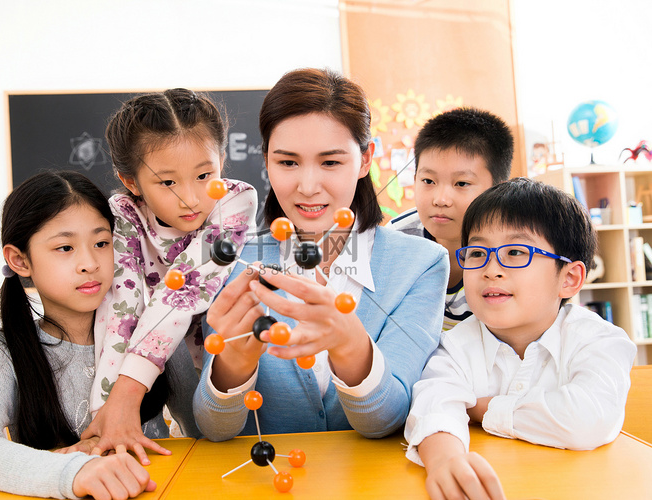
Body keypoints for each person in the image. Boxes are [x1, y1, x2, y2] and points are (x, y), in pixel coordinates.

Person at [193, 68, 448, 441]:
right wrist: (234, 363)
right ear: (266, 160)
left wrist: (350, 345)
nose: (308, 187)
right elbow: (214, 428)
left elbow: (387, 419)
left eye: (330, 162)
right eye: (287, 162)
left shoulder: (421, 264)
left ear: (365, 160)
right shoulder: (231, 259)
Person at [404, 178, 637, 500]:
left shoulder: (601, 340)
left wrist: (483, 409)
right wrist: (445, 461)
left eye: (516, 252)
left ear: (569, 278)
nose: (491, 269)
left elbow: (588, 419)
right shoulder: (454, 345)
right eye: (477, 252)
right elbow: (434, 406)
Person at [0, 171, 158, 499]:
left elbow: (210, 431)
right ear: (20, 260)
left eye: (102, 243)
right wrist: (75, 471)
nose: (89, 263)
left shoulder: (152, 331)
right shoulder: (3, 349)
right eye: (65, 247)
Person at [84, 89, 257, 459]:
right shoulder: (126, 215)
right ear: (131, 182)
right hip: (151, 352)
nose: (190, 198)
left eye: (204, 175)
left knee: (212, 444)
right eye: (168, 183)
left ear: (221, 162)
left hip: (220, 356)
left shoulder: (235, 203)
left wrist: (127, 395)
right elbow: (120, 310)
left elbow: (181, 296)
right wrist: (106, 413)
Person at [388, 108, 514, 330]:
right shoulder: (397, 238)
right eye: (428, 181)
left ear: (498, 189)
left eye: (462, 184)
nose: (441, 199)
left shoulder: (515, 251)